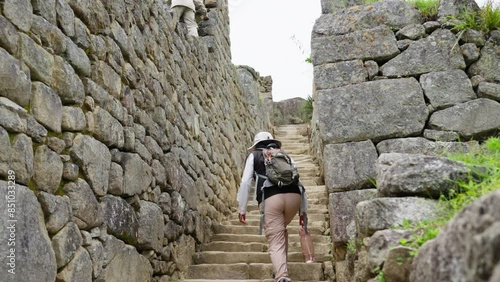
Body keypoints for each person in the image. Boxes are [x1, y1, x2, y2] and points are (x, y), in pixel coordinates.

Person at [237, 131, 304, 282]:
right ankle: (280, 267)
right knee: (280, 232)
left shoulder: (254, 156)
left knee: (275, 237)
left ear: (256, 145)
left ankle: (282, 277)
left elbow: (246, 182)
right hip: (294, 197)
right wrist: (302, 213)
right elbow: (298, 180)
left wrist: (242, 208)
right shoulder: (285, 155)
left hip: (270, 197)